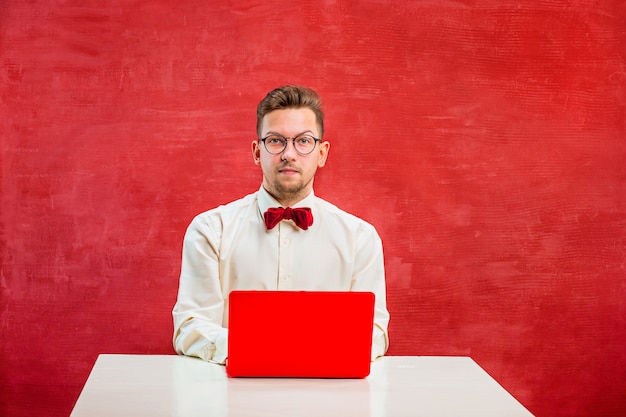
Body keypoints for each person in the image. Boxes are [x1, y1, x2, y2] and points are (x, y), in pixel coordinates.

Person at [172, 85, 389, 364]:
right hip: (230, 399)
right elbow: (190, 326)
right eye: (275, 141)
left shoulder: (361, 238)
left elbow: (375, 333)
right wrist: (263, 349)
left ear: (321, 153)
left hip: (329, 400)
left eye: (303, 141)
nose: (289, 153)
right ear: (256, 151)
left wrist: (300, 351)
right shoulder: (210, 231)